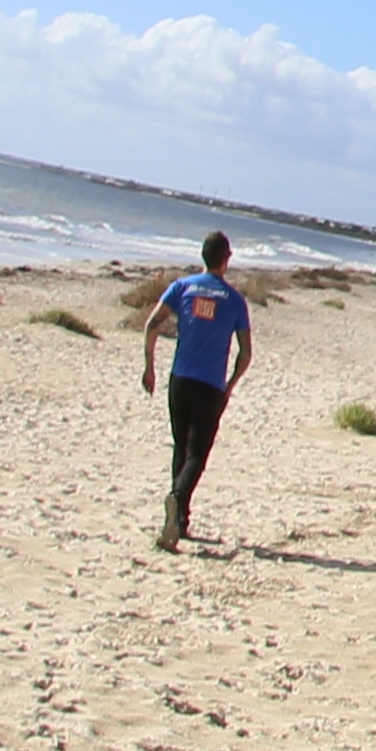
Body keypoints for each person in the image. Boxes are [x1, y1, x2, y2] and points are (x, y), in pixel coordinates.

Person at [141, 230, 257, 554]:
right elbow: (245, 352)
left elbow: (151, 325)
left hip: (179, 379)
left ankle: (180, 520)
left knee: (181, 446)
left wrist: (149, 367)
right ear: (227, 258)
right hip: (210, 385)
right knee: (197, 454)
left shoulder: (183, 287)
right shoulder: (234, 301)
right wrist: (231, 384)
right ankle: (177, 502)